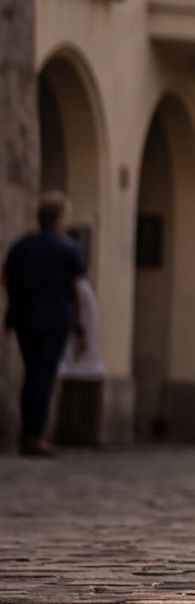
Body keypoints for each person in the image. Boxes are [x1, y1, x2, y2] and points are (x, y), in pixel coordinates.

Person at [5, 192, 90, 457]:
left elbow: (6, 278)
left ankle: (29, 433)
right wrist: (82, 326)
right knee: (42, 376)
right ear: (61, 218)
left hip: (25, 318)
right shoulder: (67, 248)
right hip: (54, 320)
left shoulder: (22, 246)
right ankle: (33, 435)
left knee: (32, 374)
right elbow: (80, 289)